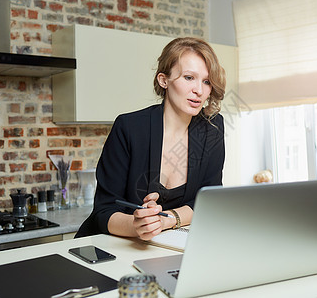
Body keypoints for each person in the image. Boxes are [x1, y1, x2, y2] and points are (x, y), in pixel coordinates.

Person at [75, 37, 226, 240]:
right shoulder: (129, 128)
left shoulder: (212, 129)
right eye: (189, 78)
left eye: (206, 81)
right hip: (110, 248)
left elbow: (209, 202)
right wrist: (136, 225)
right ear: (163, 80)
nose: (199, 90)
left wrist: (167, 220)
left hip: (166, 248)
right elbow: (103, 211)